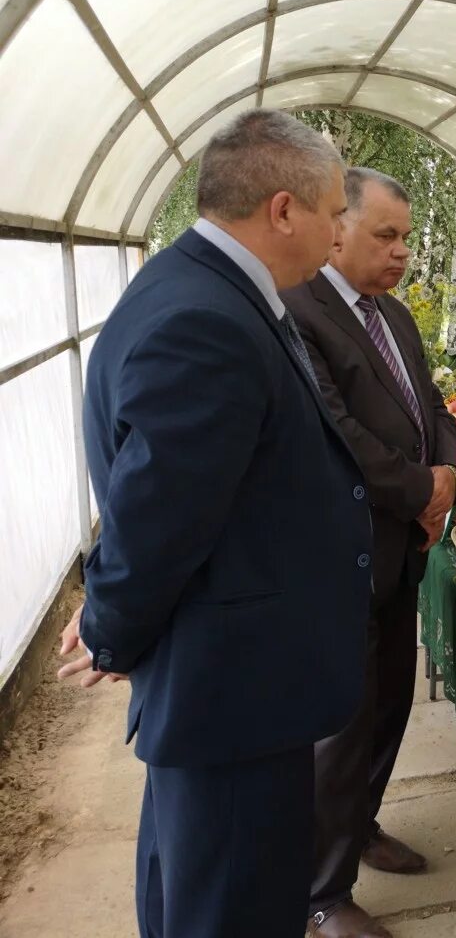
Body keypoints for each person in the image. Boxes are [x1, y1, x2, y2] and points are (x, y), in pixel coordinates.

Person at [56, 109, 373, 937]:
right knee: (230, 905)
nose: (340, 229)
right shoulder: (208, 320)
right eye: (335, 210)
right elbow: (157, 514)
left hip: (236, 684)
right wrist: (108, 626)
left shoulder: (206, 287)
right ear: (282, 211)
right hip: (233, 693)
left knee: (203, 891)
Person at [283, 168, 456, 938]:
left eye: (406, 238)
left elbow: (434, 404)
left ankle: (361, 824)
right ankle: (322, 893)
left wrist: (449, 470)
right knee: (340, 724)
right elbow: (337, 434)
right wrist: (421, 489)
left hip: (404, 553)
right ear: (337, 229)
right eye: (385, 235)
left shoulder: (394, 315)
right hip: (342, 555)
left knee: (388, 701)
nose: (400, 253)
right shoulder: (299, 310)